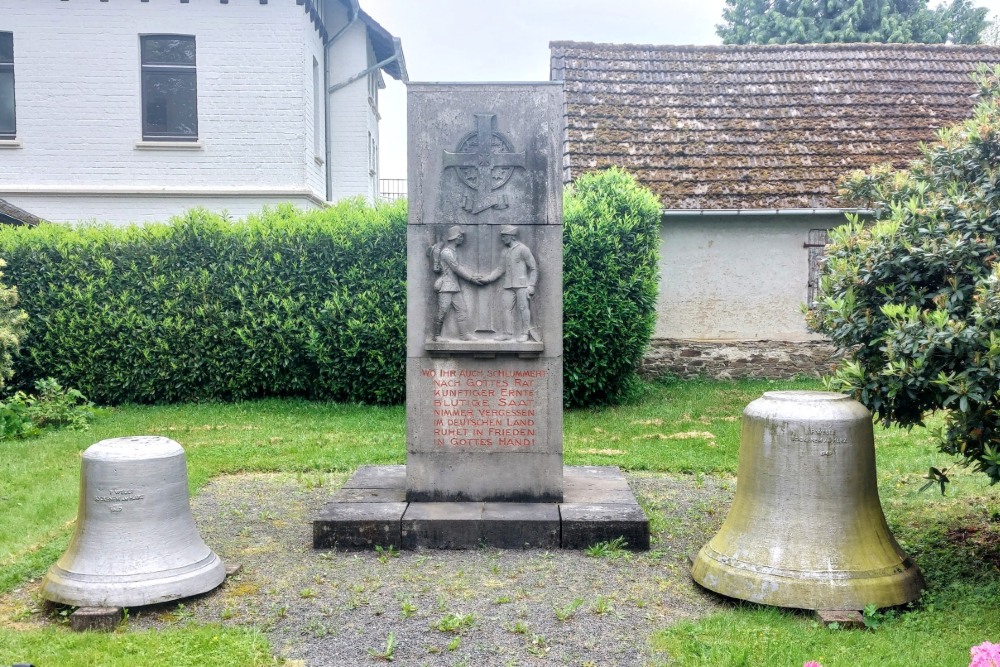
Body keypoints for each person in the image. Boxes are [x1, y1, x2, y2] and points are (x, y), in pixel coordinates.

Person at [480, 225, 538, 342]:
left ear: (511, 236)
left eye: (504, 236)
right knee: (506, 309)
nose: (502, 239)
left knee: (523, 308)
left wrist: (531, 285)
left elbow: (533, 268)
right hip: (508, 285)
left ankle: (524, 333)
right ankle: (507, 333)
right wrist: (488, 279)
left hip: (522, 285)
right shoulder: (505, 251)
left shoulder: (523, 249)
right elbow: (500, 269)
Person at [430, 225, 479, 341]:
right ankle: (436, 336)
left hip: (454, 286)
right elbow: (456, 268)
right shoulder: (446, 253)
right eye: (460, 236)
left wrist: (473, 275)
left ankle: (464, 335)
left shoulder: (453, 251)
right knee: (442, 311)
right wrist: (471, 278)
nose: (462, 238)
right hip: (446, 287)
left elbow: (459, 267)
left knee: (462, 310)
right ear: (455, 237)